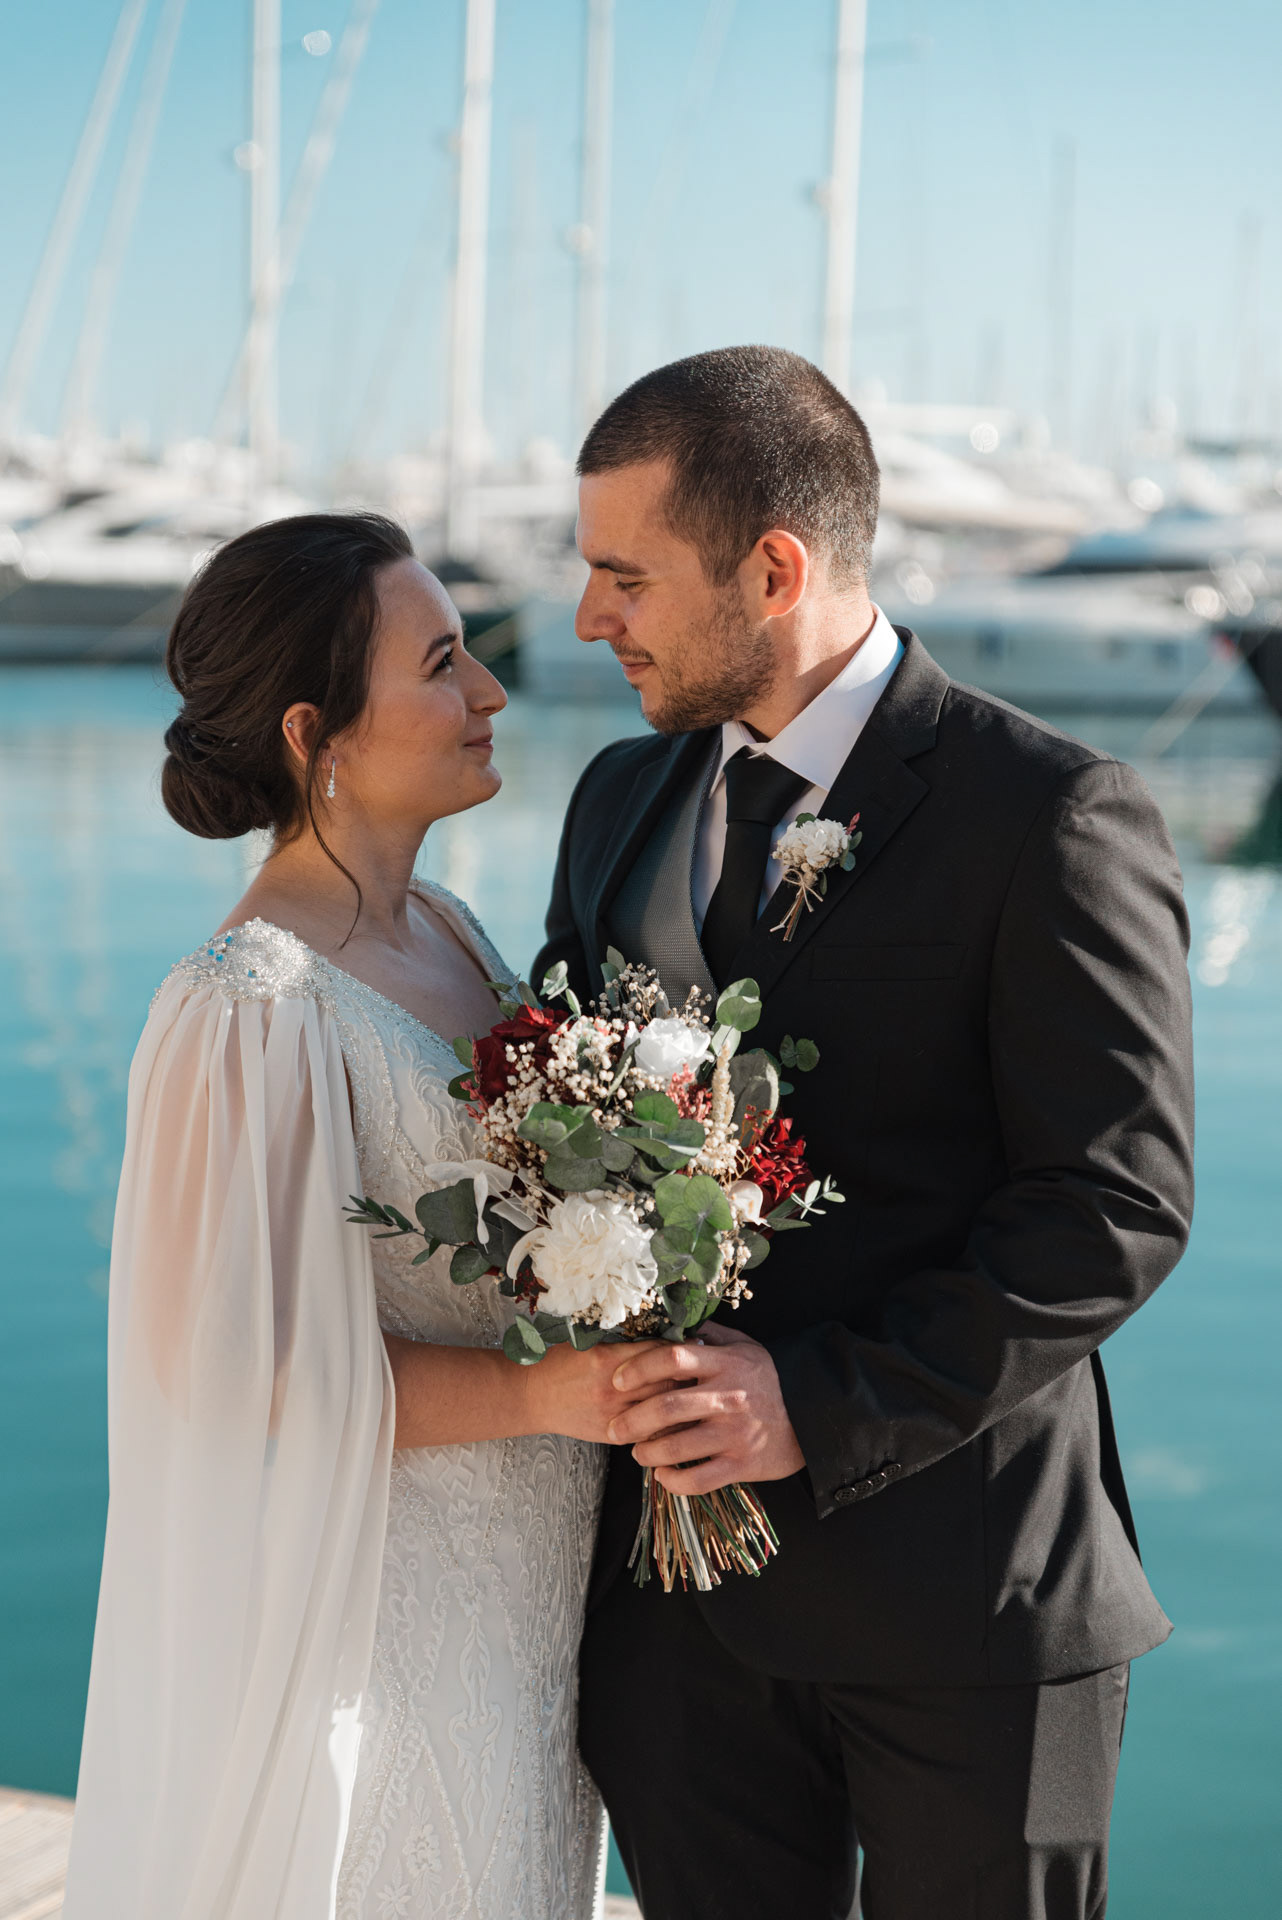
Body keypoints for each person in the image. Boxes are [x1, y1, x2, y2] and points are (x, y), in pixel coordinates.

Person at [533, 345, 1196, 1920]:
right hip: (674, 1634)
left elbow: (1110, 1205)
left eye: (624, 576)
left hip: (964, 1611)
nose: (586, 619)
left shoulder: (1046, 810)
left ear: (771, 569)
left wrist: (812, 1405)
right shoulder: (617, 797)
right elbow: (563, 1111)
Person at [63, 512, 661, 1920]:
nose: (490, 694)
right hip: (376, 1604)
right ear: (313, 731)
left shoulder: (449, 930)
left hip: (530, 1592)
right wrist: (552, 1394)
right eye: (444, 663)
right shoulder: (248, 1005)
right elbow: (231, 1374)